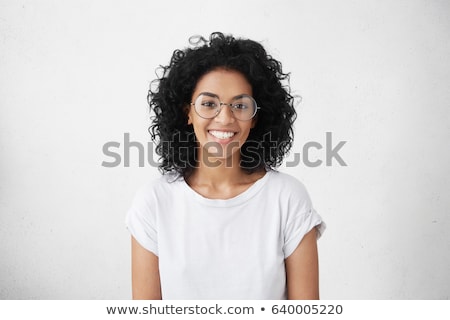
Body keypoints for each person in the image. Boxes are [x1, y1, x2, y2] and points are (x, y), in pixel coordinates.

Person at [126, 32, 325, 300]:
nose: (225, 118)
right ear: (187, 111)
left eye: (240, 105)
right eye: (209, 103)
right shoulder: (154, 202)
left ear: (255, 118)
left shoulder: (287, 198)